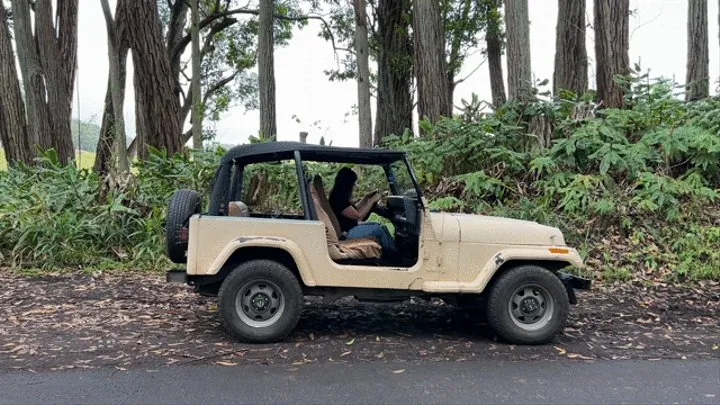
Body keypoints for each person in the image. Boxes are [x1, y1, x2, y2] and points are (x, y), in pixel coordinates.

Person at [328, 167, 397, 254]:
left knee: (380, 226)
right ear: (346, 184)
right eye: (353, 184)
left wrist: (367, 197)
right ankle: (394, 255)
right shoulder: (339, 198)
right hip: (347, 233)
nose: (354, 186)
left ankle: (392, 251)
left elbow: (354, 209)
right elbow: (359, 215)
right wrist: (372, 201)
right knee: (378, 228)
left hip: (349, 229)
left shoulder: (338, 195)